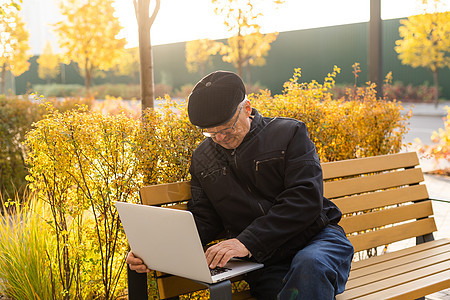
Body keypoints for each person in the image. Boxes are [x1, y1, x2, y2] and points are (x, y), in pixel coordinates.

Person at [127, 70, 354, 299]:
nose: (220, 138)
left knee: (309, 267)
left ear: (246, 108)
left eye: (226, 128)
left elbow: (304, 199)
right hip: (266, 260)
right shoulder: (203, 158)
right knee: (289, 291)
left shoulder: (290, 133)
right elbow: (205, 219)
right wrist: (153, 251)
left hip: (319, 239)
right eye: (210, 133)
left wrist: (246, 241)